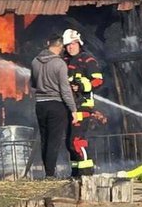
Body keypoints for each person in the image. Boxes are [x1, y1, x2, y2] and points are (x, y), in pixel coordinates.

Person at [30, 36, 79, 178]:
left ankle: (48, 172)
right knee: (54, 140)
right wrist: (73, 109)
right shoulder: (60, 64)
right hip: (56, 105)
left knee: (45, 139)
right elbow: (65, 90)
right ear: (60, 46)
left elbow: (33, 84)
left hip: (40, 105)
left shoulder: (35, 61)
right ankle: (50, 175)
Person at [62, 29, 102, 177]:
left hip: (83, 106)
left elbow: (98, 81)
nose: (70, 47)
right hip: (68, 107)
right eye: (67, 45)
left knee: (77, 141)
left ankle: (86, 173)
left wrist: (81, 86)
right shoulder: (64, 61)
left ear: (79, 43)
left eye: (73, 44)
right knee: (69, 144)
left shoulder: (88, 60)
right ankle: (76, 173)